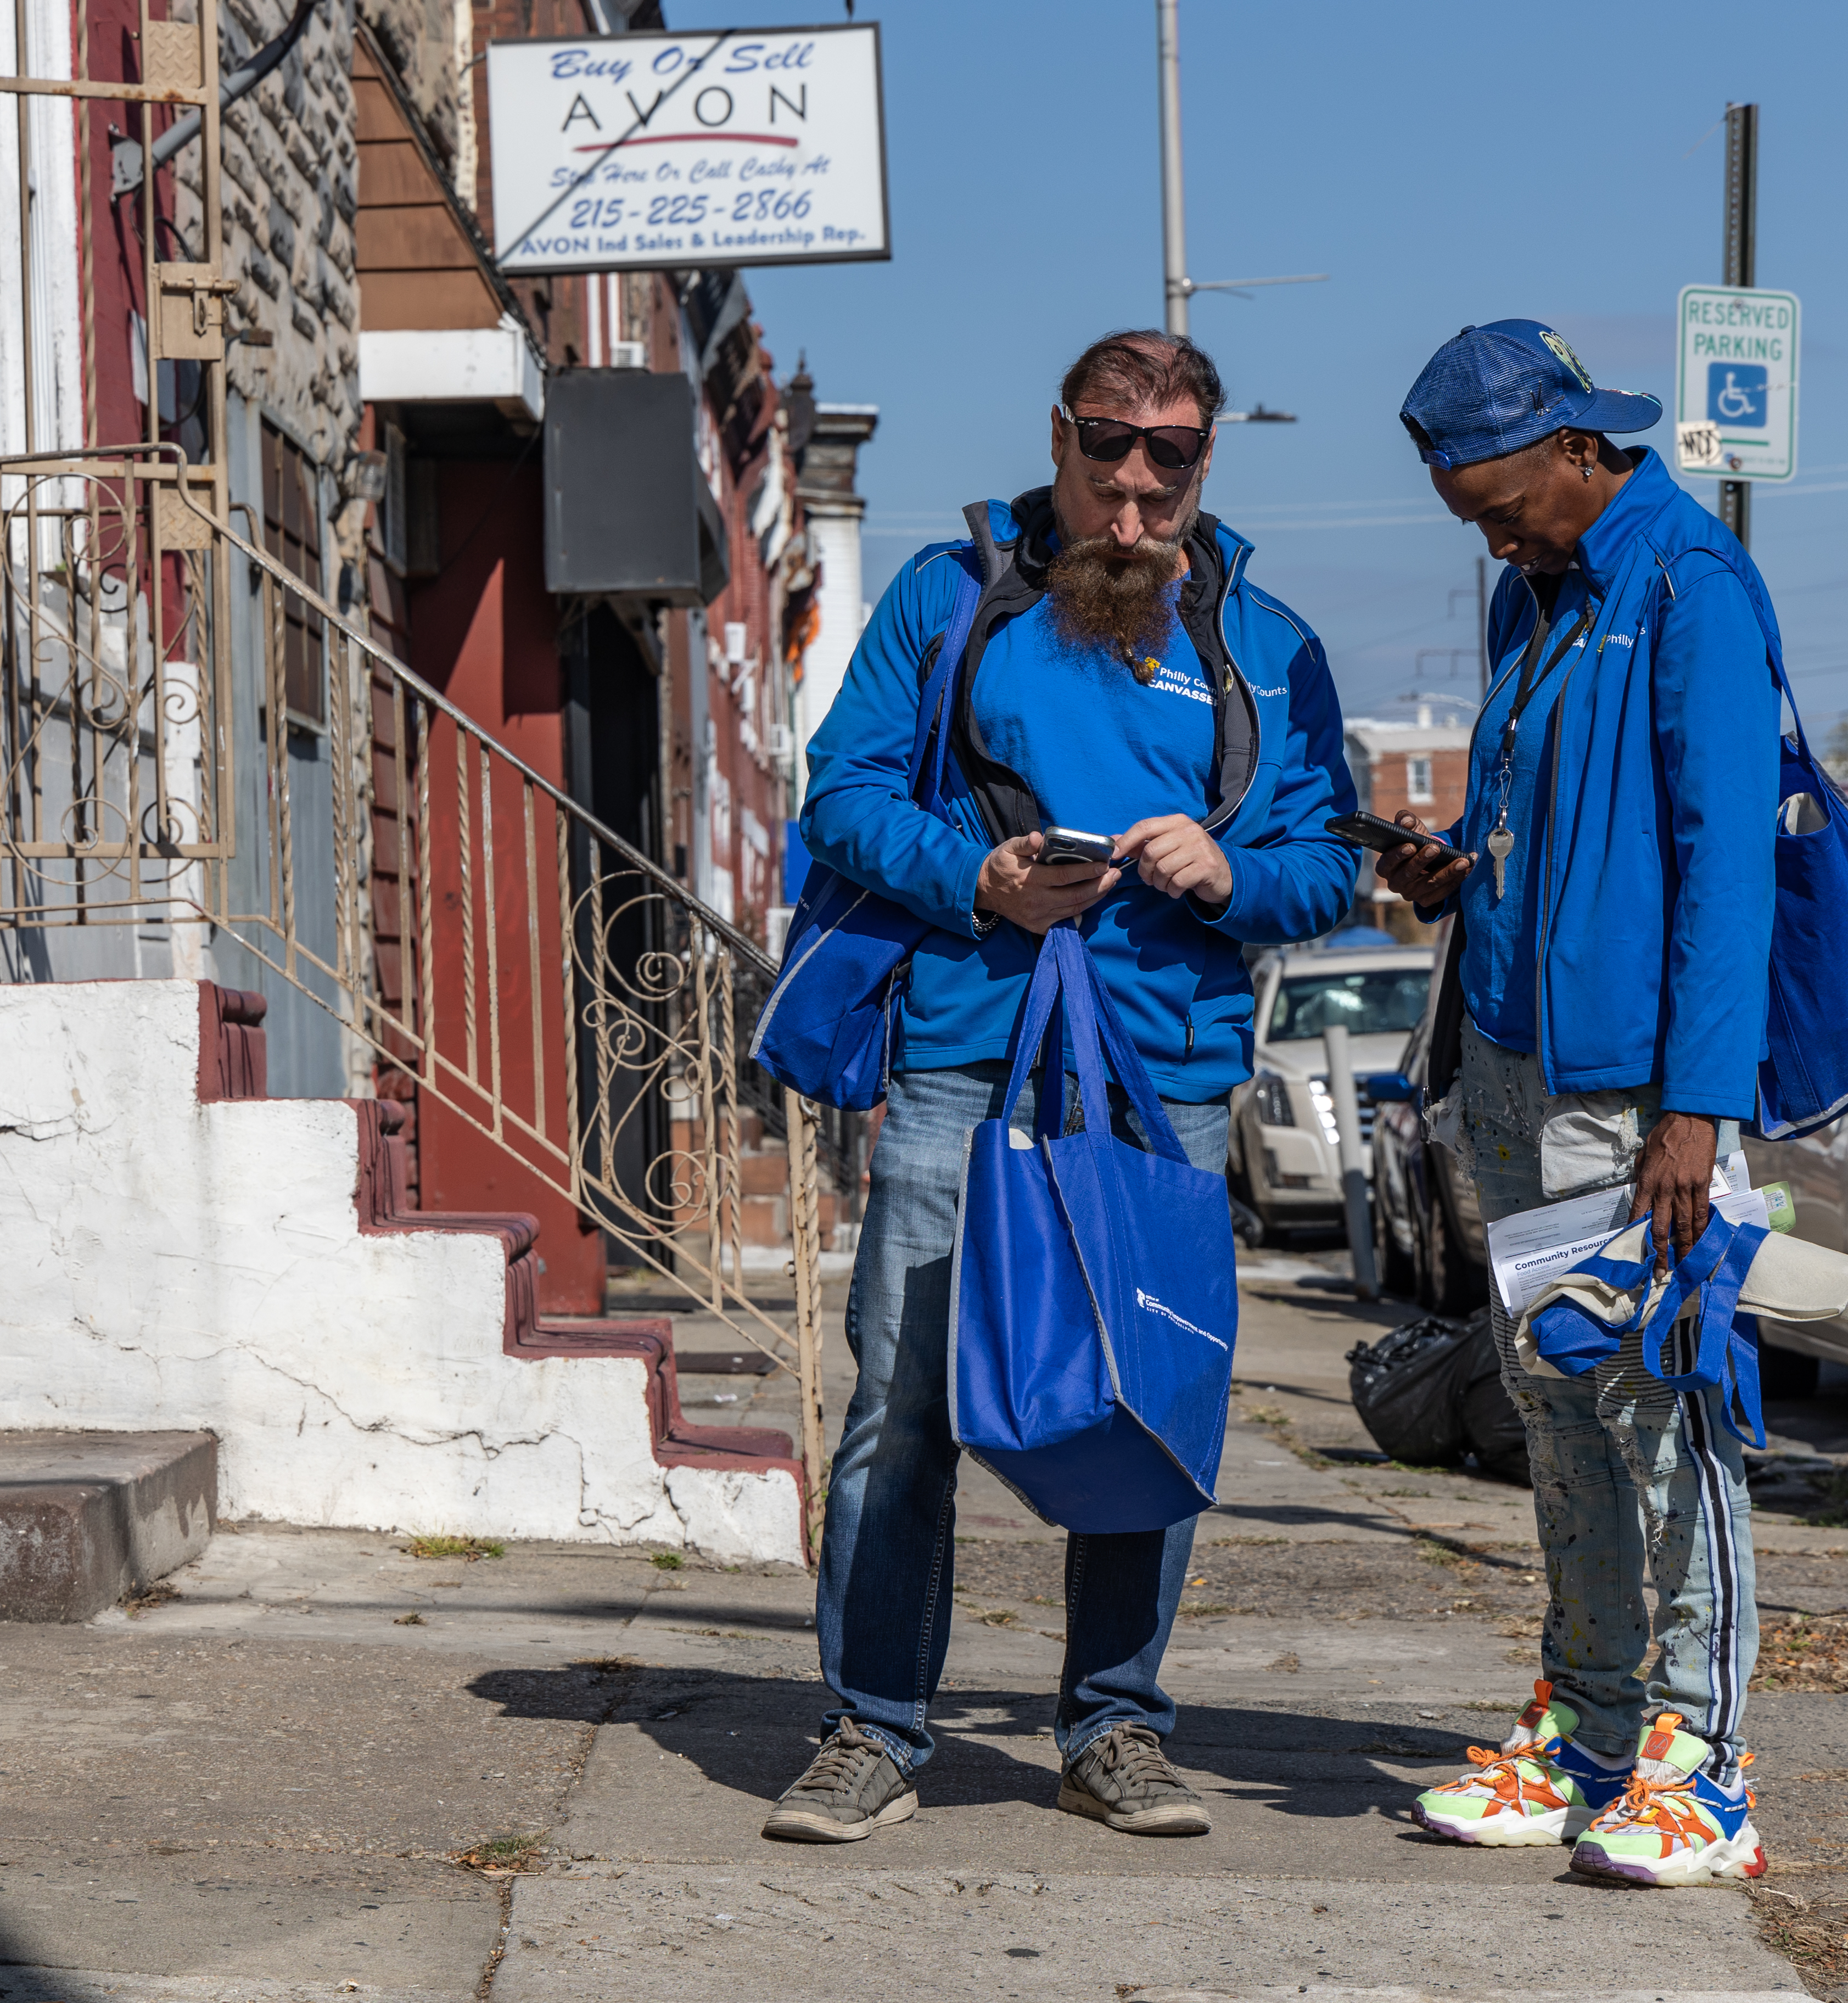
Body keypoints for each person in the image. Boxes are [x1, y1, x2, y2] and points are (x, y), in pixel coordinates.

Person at [761, 330, 1357, 1844]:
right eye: (1110, 445)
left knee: (1145, 1411)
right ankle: (877, 1730)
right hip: (966, 1064)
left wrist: (1231, 875)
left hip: (1168, 1088)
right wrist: (974, 874)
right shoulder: (948, 602)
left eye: (1171, 456)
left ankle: (1115, 1729)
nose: (1136, 486)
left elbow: (1332, 860)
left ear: (1205, 461)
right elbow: (840, 799)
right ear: (1060, 438)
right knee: (906, 1410)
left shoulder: (1267, 644)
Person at [1375, 320, 1781, 1887]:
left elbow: (1723, 866)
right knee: (1557, 1404)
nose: (1488, 532)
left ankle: (1707, 1766)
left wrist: (1697, 1105)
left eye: (1497, 503)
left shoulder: (1689, 587)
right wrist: (1455, 878)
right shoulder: (1532, 598)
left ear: (1576, 449)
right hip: (1516, 1060)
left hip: (1637, 1093)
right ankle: (1593, 1730)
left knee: (1667, 1406)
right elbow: (1555, 841)